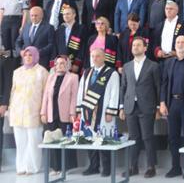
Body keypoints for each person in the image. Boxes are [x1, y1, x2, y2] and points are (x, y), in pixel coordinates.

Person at [120, 37, 160, 178]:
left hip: (147, 106)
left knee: (148, 137)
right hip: (130, 106)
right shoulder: (127, 66)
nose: (135, 47)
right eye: (133, 45)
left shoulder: (153, 66)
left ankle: (151, 167)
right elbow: (123, 87)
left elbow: (158, 87)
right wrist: (121, 107)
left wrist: (158, 107)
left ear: (145, 48)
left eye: (138, 45)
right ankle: (133, 167)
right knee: (133, 137)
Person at [77, 47, 120, 177]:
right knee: (89, 138)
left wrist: (111, 111)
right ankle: (93, 166)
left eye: (98, 56)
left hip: (103, 113)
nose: (95, 59)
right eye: (93, 56)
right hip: (87, 111)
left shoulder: (111, 73)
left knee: (104, 139)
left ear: (104, 57)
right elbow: (81, 91)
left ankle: (107, 167)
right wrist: (79, 109)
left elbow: (115, 93)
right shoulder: (86, 72)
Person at [160, 35, 184, 177]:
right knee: (173, 137)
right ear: (174, 45)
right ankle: (175, 167)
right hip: (172, 104)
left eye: (183, 42)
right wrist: (162, 102)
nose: (180, 44)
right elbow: (164, 83)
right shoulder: (169, 62)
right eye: (177, 42)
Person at [8, 46, 48, 175]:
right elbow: (13, 91)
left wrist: (43, 111)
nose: (28, 57)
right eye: (25, 55)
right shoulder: (17, 72)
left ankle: (32, 167)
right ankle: (21, 167)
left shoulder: (42, 71)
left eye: (30, 55)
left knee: (34, 140)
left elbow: (46, 94)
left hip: (34, 111)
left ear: (35, 56)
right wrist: (10, 108)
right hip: (17, 111)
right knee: (20, 142)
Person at [40, 55, 79, 174]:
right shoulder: (51, 77)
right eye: (57, 64)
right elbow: (46, 96)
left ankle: (65, 167)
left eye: (62, 63)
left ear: (67, 65)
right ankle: (55, 167)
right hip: (52, 113)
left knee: (65, 140)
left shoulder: (73, 77)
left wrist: (72, 113)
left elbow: (74, 97)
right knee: (53, 141)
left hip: (66, 114)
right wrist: (43, 112)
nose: (59, 66)